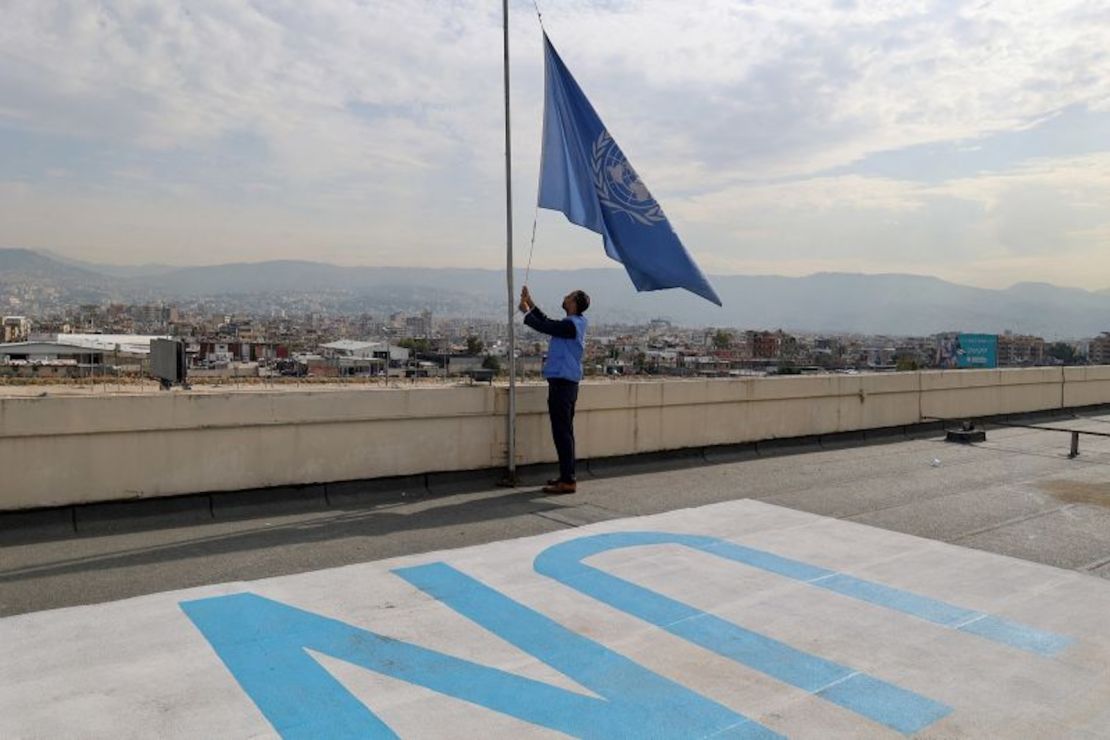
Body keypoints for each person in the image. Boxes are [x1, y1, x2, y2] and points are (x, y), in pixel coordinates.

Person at [519, 285, 589, 494]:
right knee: (564, 432)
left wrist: (526, 313)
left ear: (574, 304)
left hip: (563, 383)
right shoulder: (574, 324)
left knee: (562, 433)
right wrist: (530, 303)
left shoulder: (571, 326)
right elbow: (549, 322)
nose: (564, 298)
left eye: (568, 297)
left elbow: (546, 327)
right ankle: (566, 476)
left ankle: (568, 480)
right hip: (566, 382)